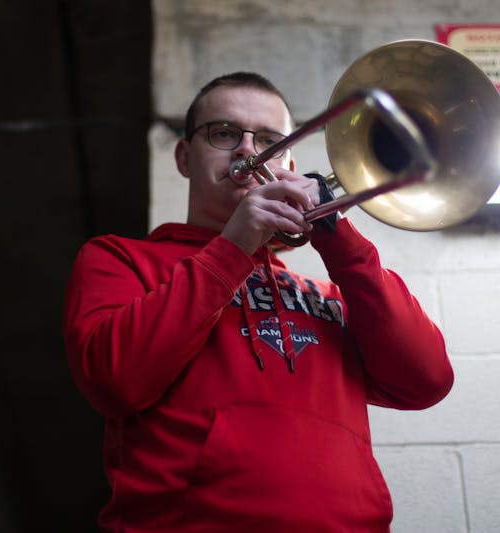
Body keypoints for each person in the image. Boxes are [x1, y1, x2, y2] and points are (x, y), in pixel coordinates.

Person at [63, 72, 454, 532]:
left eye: (269, 138)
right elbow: (115, 379)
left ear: (287, 163)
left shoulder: (330, 296)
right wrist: (233, 247)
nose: (248, 150)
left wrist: (338, 237)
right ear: (185, 157)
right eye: (224, 133)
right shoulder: (120, 259)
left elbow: (426, 380)